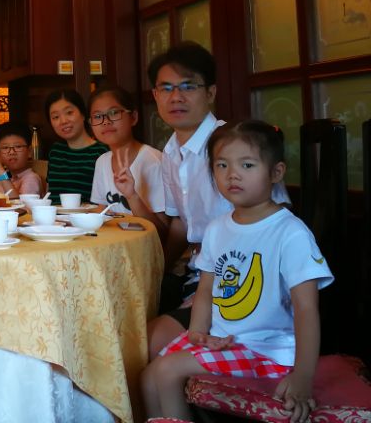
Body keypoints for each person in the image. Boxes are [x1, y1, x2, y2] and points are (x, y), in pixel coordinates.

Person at [142, 120, 332, 423]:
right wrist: (198, 333)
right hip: (225, 340)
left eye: (247, 165)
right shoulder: (218, 229)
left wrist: (302, 376)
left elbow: (307, 309)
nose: (232, 174)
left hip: (267, 350)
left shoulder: (290, 233)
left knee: (166, 372)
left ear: (276, 173)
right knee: (148, 377)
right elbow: (206, 288)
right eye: (222, 165)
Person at [145, 41, 291, 359]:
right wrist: (156, 273)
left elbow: (276, 218)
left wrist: (213, 293)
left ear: (210, 92)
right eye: (166, 88)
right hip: (197, 274)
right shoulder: (170, 152)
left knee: (146, 344)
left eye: (188, 86)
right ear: (155, 95)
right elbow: (180, 224)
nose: (176, 97)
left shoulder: (234, 144)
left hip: (238, 281)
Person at [87, 86, 165, 229]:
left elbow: (162, 231)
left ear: (133, 117)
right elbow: (101, 211)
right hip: (113, 240)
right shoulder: (102, 162)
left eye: (114, 113)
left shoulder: (154, 161)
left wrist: (132, 196)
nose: (105, 121)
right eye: (97, 116)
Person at [44, 89, 107, 202]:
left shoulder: (102, 152)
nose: (63, 121)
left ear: (83, 114)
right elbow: (49, 193)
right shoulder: (56, 151)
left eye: (69, 113)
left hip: (89, 213)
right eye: (55, 117)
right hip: (53, 213)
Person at [0, 121, 42, 199]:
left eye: (18, 147)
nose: (11, 152)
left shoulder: (31, 178)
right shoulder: (1, 177)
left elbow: (19, 205)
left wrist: (0, 170)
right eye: (5, 148)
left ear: (29, 151)